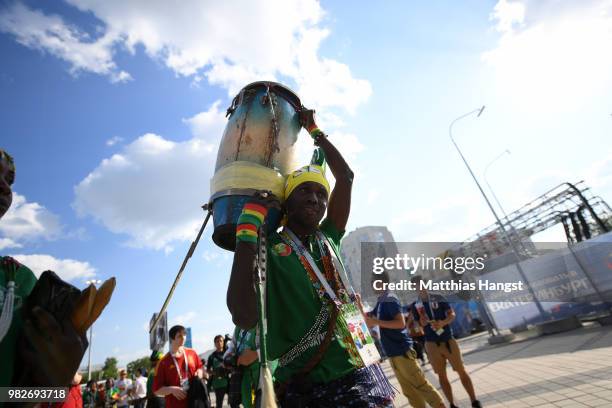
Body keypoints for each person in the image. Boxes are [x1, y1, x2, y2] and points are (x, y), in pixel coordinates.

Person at [227, 109, 393, 406]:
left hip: (360, 369)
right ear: (286, 201)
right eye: (305, 190)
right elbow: (244, 315)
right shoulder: (269, 247)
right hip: (307, 387)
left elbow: (346, 176)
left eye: (321, 194)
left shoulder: (329, 237)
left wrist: (315, 131)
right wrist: (247, 233)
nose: (315, 199)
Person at [362, 277, 445, 408]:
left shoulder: (390, 298)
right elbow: (369, 317)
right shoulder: (381, 301)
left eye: (375, 283)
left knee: (421, 386)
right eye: (372, 283)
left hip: (402, 352)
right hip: (393, 354)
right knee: (410, 393)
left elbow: (400, 323)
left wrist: (376, 322)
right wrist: (359, 307)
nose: (373, 287)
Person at [411, 276, 482, 408]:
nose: (419, 287)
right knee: (442, 376)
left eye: (421, 284)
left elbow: (452, 314)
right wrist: (422, 321)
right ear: (413, 288)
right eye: (416, 285)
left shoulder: (438, 297)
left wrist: (442, 322)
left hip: (448, 339)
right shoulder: (416, 305)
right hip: (432, 343)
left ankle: (474, 401)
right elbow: (418, 326)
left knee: (461, 370)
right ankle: (452, 404)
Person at [153, 325, 206, 408]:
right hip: (174, 405)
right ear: (172, 338)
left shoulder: (192, 353)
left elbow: (200, 367)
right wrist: (172, 390)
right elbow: (157, 390)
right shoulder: (163, 362)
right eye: (179, 336)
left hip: (195, 402)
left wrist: (199, 373)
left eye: (184, 335)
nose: (183, 338)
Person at [206, 335, 229, 408]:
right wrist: (216, 373)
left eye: (221, 341)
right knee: (219, 404)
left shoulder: (228, 353)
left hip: (229, 381)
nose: (219, 343)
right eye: (217, 341)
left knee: (234, 402)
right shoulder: (212, 356)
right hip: (218, 384)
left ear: (223, 342)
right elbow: (208, 370)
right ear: (214, 343)